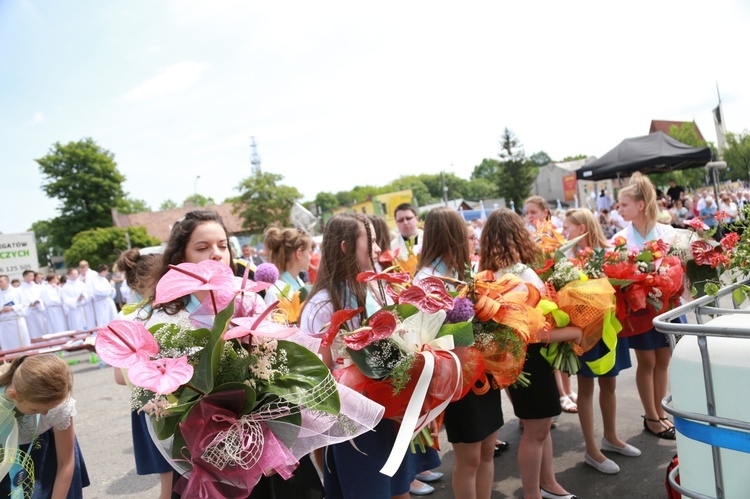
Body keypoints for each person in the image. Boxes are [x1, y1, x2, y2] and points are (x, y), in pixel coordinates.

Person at [150, 210, 317, 498]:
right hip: (210, 451)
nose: (216, 254)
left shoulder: (248, 299)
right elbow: (166, 397)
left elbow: (276, 365)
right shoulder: (167, 321)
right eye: (202, 248)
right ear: (180, 259)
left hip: (264, 445)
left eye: (222, 246)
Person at [301, 213, 424, 499]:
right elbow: (315, 374)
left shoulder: (374, 287)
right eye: (369, 240)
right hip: (352, 427)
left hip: (387, 413)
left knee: (398, 489)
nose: (378, 246)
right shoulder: (322, 304)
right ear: (345, 247)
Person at [482, 209, 582, 499]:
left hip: (514, 360)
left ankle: (547, 483)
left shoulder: (489, 274)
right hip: (531, 359)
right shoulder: (519, 273)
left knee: (539, 429)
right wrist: (574, 332)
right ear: (517, 236)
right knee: (536, 431)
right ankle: (532, 494)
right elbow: (534, 333)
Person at [416, 207, 499, 499]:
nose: (469, 236)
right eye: (463, 231)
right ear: (451, 235)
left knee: (488, 450)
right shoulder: (427, 279)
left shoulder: (463, 271)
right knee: (470, 459)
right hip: (457, 377)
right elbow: (424, 336)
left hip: (482, 372)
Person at [563, 209, 640, 475]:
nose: (565, 233)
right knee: (585, 389)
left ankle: (611, 438)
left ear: (582, 227)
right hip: (585, 332)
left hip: (609, 328)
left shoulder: (609, 251)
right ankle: (591, 450)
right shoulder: (566, 258)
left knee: (610, 383)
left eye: (568, 227)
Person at [613, 172, 677, 440]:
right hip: (639, 310)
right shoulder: (620, 238)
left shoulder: (667, 232)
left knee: (663, 359)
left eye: (624, 205)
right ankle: (651, 416)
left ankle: (661, 413)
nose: (619, 209)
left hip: (666, 304)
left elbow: (677, 266)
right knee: (647, 361)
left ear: (640, 205)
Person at [114, 248, 172, 499]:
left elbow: (119, 376)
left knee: (168, 482)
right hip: (169, 404)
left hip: (145, 404)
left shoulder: (126, 317)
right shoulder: (168, 313)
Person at [0, 355, 89, 498]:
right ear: (13, 394)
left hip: (50, 455)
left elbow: (65, 463)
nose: (45, 413)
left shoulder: (57, 404)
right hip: (6, 460)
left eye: (50, 408)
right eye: (36, 409)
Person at [523, 196, 576, 414]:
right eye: (526, 213)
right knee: (550, 345)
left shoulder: (557, 235)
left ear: (545, 212)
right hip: (542, 299)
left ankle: (568, 389)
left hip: (558, 293)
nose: (529, 217)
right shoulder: (529, 238)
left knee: (563, 343)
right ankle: (560, 394)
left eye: (533, 212)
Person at [262, 227, 312, 305]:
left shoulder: (298, 282)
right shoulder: (275, 292)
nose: (310, 257)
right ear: (299, 253)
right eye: (309, 252)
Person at [0, 274, 31, 350]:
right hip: (4, 323)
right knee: (7, 345)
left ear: (7, 281)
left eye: (1, 281)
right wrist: (1, 310)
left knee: (22, 343)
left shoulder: (17, 291)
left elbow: (25, 304)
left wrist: (12, 307)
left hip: (17, 321)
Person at [19, 269, 47, 340]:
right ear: (25, 276)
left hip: (38, 310)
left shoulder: (37, 287)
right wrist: (29, 304)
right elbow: (21, 301)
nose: (32, 277)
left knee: (42, 328)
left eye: (32, 275)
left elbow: (43, 297)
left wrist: (39, 302)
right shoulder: (20, 289)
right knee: (32, 330)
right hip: (29, 312)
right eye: (30, 275)